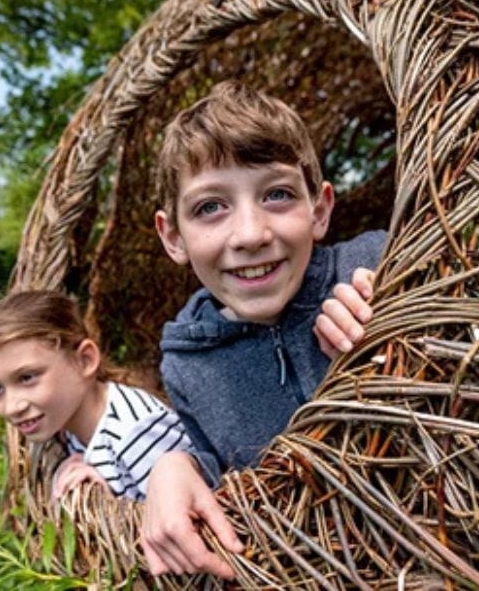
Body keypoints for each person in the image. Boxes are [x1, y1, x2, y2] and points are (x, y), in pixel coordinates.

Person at [144, 81, 385, 577]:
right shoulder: (187, 363)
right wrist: (174, 467)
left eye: (277, 195)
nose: (251, 235)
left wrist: (398, 312)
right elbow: (222, 468)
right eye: (210, 207)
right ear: (173, 237)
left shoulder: (378, 264)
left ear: (319, 210)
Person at [0, 290, 195, 501]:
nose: (11, 407)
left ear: (84, 360)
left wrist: (112, 504)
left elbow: (185, 516)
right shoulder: (70, 426)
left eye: (27, 377)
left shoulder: (135, 433)